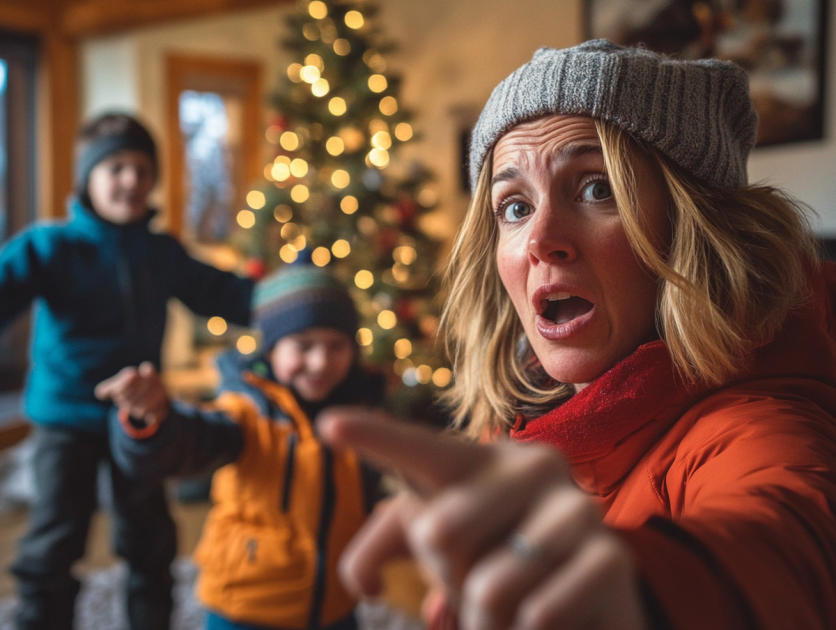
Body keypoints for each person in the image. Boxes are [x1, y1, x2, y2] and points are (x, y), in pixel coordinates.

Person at [316, 40, 836, 630]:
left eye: (597, 189)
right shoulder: (523, 412)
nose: (540, 239)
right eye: (514, 206)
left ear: (695, 229)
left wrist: (652, 596)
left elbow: (787, 550)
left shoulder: (765, 424)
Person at [0, 112, 254, 630]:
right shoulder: (50, 246)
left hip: (138, 420)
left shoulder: (161, 252)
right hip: (64, 419)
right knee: (53, 538)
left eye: (142, 169)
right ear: (87, 178)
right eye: (116, 167)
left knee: (150, 538)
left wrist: (283, 299)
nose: (132, 181)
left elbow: (221, 292)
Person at [96, 260, 385, 630]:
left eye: (337, 346)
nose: (320, 361)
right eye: (303, 345)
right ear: (271, 350)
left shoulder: (364, 414)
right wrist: (153, 419)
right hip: (246, 604)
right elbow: (192, 441)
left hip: (335, 604)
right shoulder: (245, 410)